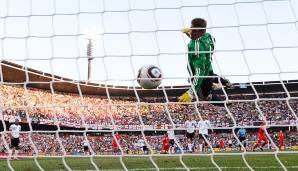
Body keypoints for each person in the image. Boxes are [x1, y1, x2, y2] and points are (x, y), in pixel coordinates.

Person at [179, 18, 232, 103]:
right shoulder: (209, 37)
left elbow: (200, 72)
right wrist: (188, 33)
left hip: (202, 73)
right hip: (208, 67)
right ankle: (225, 82)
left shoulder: (196, 47)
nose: (190, 32)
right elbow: (199, 38)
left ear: (201, 32)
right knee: (210, 75)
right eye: (191, 28)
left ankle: (225, 103)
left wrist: (191, 92)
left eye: (193, 31)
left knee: (205, 96)